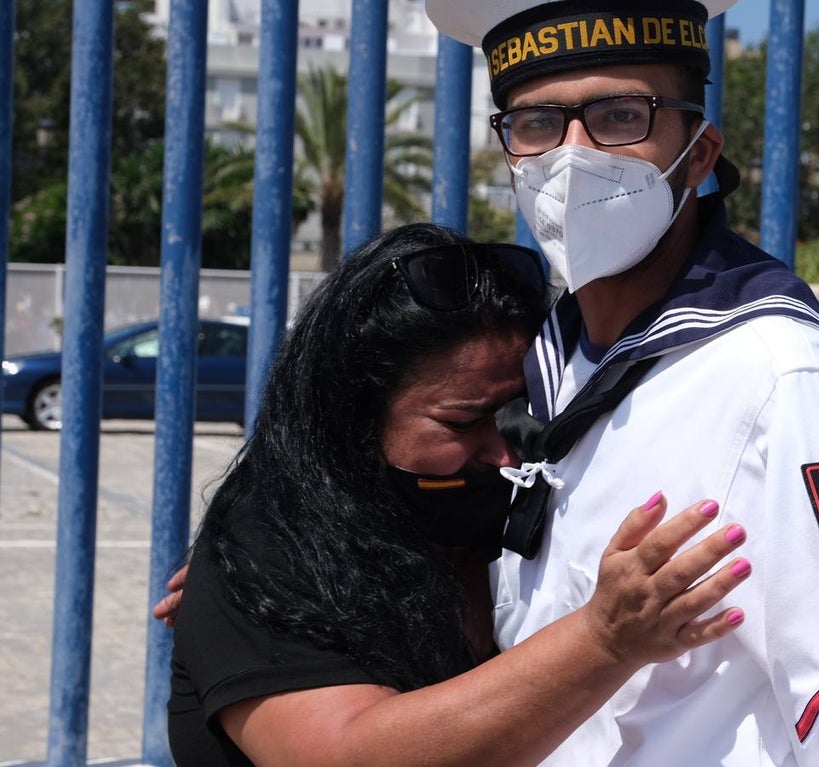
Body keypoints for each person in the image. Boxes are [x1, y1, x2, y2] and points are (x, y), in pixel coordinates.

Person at [423, 0, 819, 763]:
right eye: (536, 125)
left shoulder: (783, 382)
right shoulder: (548, 375)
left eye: (621, 116)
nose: (572, 155)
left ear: (698, 152)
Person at [167, 222, 752, 766]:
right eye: (461, 421)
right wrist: (604, 638)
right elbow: (341, 752)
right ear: (352, 416)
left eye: (516, 413)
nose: (504, 454)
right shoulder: (268, 543)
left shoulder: (505, 509)